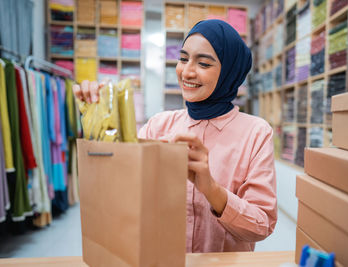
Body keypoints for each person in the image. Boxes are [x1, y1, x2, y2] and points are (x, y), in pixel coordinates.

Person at [73, 19, 277, 253]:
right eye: (183, 58)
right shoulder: (158, 126)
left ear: (229, 72)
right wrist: (98, 120)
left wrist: (211, 189)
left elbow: (261, 225)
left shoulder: (256, 133)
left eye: (203, 63)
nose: (187, 71)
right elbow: (117, 196)